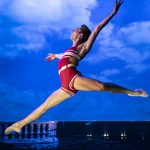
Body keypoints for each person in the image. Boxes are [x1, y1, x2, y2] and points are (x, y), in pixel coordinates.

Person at [5, 0, 148, 135]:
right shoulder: (69, 50)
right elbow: (63, 55)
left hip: (73, 78)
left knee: (102, 86)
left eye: (74, 29)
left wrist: (113, 12)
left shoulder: (83, 48)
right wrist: (54, 56)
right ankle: (19, 125)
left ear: (80, 34)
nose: (71, 31)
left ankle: (133, 92)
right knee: (44, 106)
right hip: (65, 86)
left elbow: (97, 28)